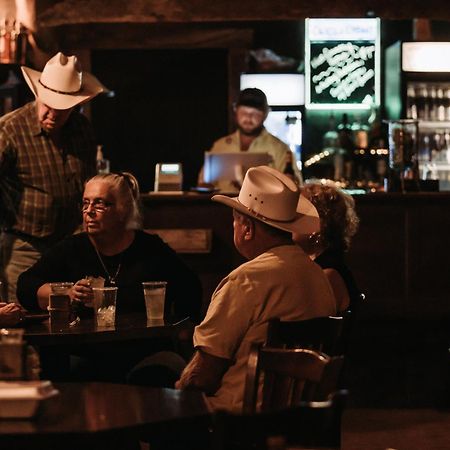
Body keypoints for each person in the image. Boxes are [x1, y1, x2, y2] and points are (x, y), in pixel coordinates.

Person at [176, 166, 336, 413]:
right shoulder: (318, 275)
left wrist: (177, 389)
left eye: (235, 220)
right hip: (300, 418)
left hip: (237, 421)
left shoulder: (246, 280)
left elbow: (202, 377)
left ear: (247, 228)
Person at [17, 172, 202, 322]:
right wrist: (67, 293)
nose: (89, 211)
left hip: (142, 347)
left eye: (100, 204)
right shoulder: (73, 247)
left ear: (124, 210)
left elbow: (191, 288)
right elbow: (25, 285)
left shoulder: (150, 249)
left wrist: (180, 332)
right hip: (86, 348)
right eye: (85, 203)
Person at [0, 52, 105, 302]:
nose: (53, 115)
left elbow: (90, 181)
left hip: (71, 244)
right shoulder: (10, 130)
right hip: (24, 245)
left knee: (71, 319)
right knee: (22, 317)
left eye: (62, 110)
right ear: (38, 95)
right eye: (48, 106)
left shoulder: (81, 129)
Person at [198, 88, 301, 191]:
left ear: (265, 114)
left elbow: (295, 188)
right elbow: (202, 184)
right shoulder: (220, 146)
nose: (248, 118)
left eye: (255, 114)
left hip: (263, 206)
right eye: (244, 112)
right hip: (222, 206)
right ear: (235, 111)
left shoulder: (280, 149)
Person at [293, 183, 363, 312]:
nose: (287, 223)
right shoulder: (324, 266)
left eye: (295, 216)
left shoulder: (327, 276)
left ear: (316, 226)